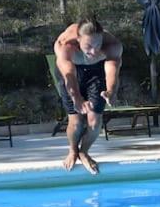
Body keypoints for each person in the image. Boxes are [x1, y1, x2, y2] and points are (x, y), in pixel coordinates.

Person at [53, 17, 123, 174]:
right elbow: (69, 76)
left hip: (96, 72)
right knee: (76, 121)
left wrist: (111, 91)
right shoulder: (65, 46)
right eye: (88, 46)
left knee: (95, 121)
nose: (93, 51)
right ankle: (72, 150)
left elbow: (112, 71)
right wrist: (76, 98)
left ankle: (84, 151)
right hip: (70, 72)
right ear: (78, 40)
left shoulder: (112, 45)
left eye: (97, 45)